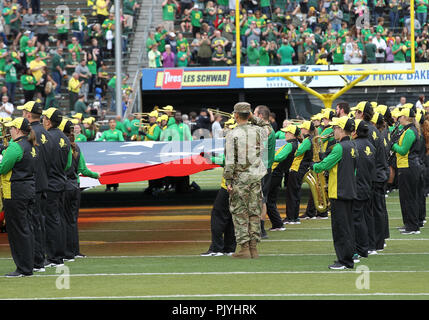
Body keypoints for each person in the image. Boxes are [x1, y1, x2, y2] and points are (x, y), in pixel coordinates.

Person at [224, 102, 268, 259]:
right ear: (249, 114)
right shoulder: (258, 130)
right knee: (254, 212)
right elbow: (269, 128)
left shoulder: (232, 134)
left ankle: (244, 248)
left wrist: (228, 180)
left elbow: (230, 161)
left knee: (240, 212)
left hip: (240, 178)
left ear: (236, 115)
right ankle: (254, 248)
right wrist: (254, 118)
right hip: (255, 177)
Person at [313, 116, 357, 270]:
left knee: (340, 229)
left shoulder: (339, 147)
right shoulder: (353, 145)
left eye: (335, 128)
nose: (333, 131)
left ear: (341, 129)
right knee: (348, 227)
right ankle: (349, 257)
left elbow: (324, 165)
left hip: (338, 191)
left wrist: (314, 165)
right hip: (349, 190)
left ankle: (344, 260)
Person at [18, 101, 53, 273]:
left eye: (24, 111)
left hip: (34, 183)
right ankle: (41, 258)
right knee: (40, 221)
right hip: (44, 181)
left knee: (33, 222)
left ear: (28, 114)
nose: (23, 114)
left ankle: (38, 260)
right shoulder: (45, 131)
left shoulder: (31, 132)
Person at [1, 117, 38, 277]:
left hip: (15, 192)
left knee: (17, 231)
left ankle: (23, 268)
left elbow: (2, 168)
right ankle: (29, 265)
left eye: (11, 128)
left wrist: (4, 153)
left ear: (17, 130)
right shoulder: (31, 145)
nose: (9, 131)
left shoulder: (15, 147)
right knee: (27, 228)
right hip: (28, 189)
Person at [60, 119, 100, 260]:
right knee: (72, 221)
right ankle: (75, 251)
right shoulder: (76, 147)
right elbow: (83, 169)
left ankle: (67, 253)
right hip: (76, 186)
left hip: (64, 186)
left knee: (63, 220)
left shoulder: (62, 146)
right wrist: (96, 175)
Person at [42, 108, 72, 268]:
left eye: (44, 117)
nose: (42, 120)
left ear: (48, 120)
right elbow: (67, 164)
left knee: (51, 220)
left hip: (51, 184)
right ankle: (60, 254)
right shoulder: (64, 138)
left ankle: (54, 257)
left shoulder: (47, 138)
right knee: (59, 219)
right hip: (62, 181)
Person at [391, 108, 421, 234]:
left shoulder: (410, 132)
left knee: (409, 197)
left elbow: (403, 150)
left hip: (408, 167)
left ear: (407, 118)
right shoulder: (407, 130)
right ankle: (409, 224)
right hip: (406, 167)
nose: (399, 118)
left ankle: (412, 226)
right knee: (405, 197)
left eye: (401, 116)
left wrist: (392, 145)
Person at [267, 125, 299, 231]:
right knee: (270, 200)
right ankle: (278, 224)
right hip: (278, 174)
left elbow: (280, 157)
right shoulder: (294, 144)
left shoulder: (290, 145)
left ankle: (277, 224)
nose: (285, 134)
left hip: (275, 173)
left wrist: (267, 157)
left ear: (292, 134)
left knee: (266, 200)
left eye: (287, 132)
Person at [351, 119, 375, 261]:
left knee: (356, 220)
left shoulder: (355, 145)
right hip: (367, 185)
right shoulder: (371, 145)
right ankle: (366, 248)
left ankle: (359, 249)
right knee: (365, 219)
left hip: (357, 186)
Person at [284, 120, 315, 224]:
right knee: (295, 193)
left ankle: (291, 217)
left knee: (292, 194)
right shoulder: (307, 140)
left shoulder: (306, 141)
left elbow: (298, 152)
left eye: (302, 128)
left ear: (306, 130)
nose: (300, 130)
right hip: (300, 169)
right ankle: (294, 217)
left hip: (298, 169)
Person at [254, 105, 275, 239]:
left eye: (255, 113)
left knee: (261, 200)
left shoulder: (265, 130)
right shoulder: (268, 129)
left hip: (262, 168)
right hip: (265, 168)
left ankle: (261, 230)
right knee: (263, 200)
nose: (253, 115)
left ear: (261, 116)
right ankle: (260, 229)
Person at [96, 118, 124, 192]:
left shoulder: (119, 132)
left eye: (113, 122)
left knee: (115, 170)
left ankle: (115, 186)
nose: (112, 124)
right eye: (111, 122)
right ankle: (108, 186)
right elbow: (101, 139)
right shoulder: (105, 132)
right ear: (109, 124)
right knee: (107, 169)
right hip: (107, 153)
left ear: (115, 124)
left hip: (115, 153)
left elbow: (121, 141)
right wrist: (92, 141)